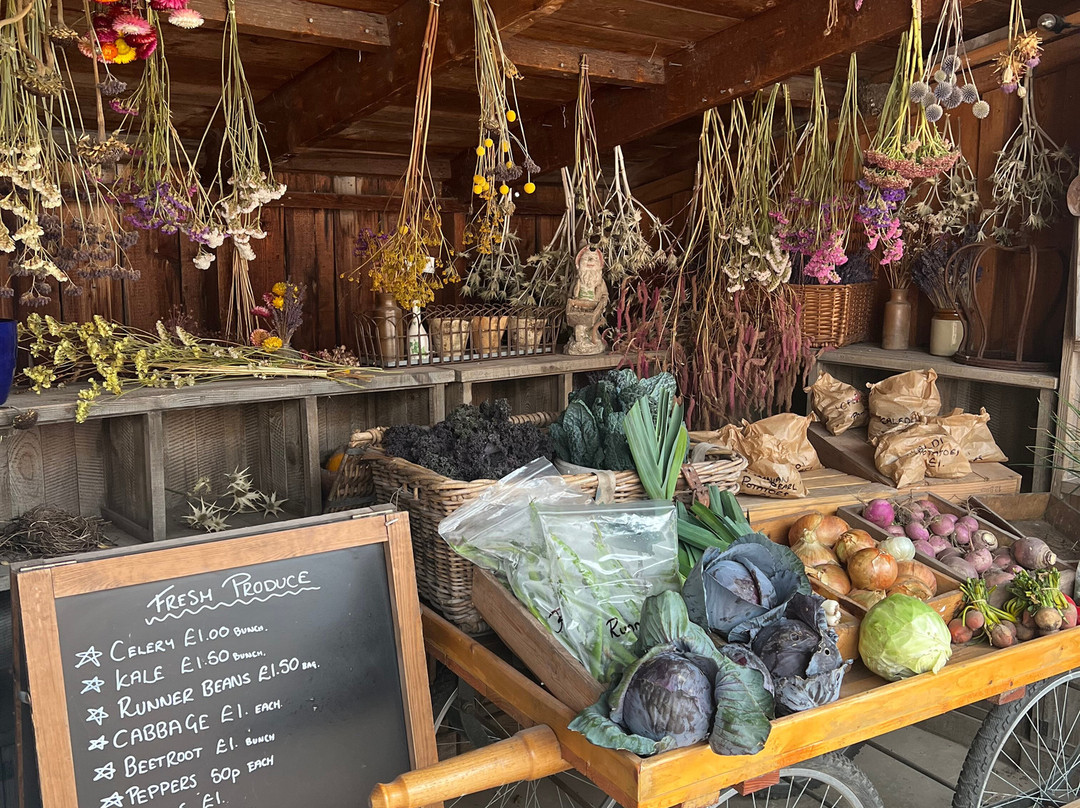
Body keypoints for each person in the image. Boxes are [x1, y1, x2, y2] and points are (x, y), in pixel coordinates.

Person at [565, 245, 608, 355]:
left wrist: (602, 302)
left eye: (594, 258)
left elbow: (604, 294)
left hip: (594, 309)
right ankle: (579, 341)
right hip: (579, 308)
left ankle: (592, 340)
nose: (590, 261)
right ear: (579, 263)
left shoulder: (599, 282)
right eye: (586, 258)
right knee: (579, 326)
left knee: (591, 327)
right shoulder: (578, 281)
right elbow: (570, 295)